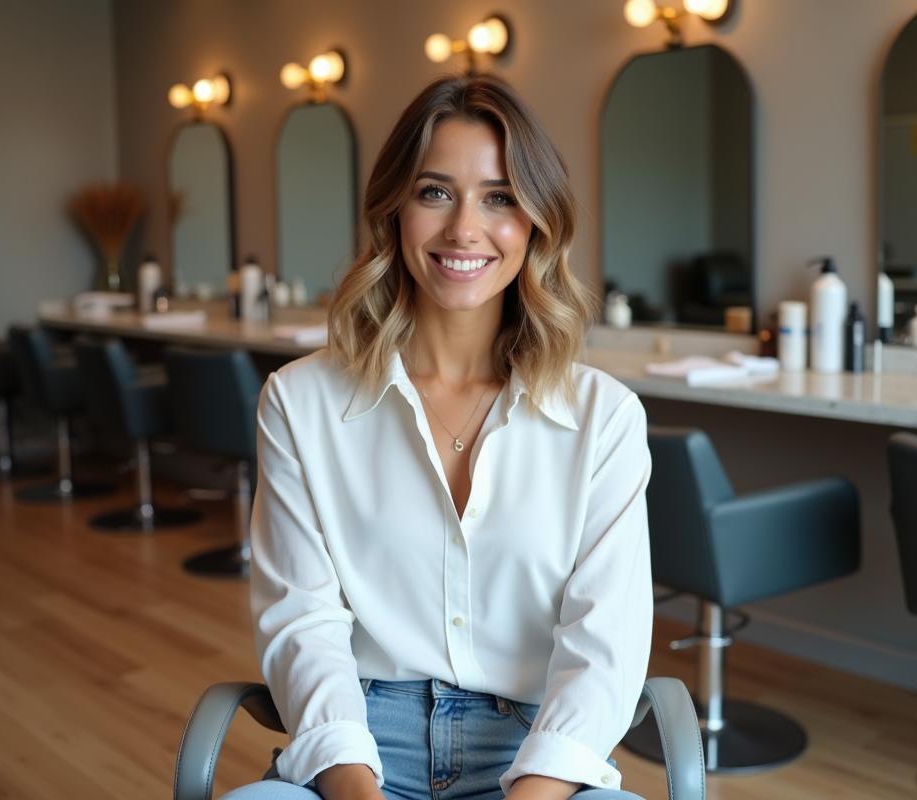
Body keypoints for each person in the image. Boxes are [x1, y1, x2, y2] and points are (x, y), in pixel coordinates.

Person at [226, 74, 653, 800]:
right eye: (434, 192)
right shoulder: (299, 402)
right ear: (394, 211)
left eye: (499, 197)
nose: (463, 229)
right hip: (359, 746)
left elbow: (603, 649)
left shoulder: (603, 417)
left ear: (536, 223)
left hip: (536, 752)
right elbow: (303, 624)